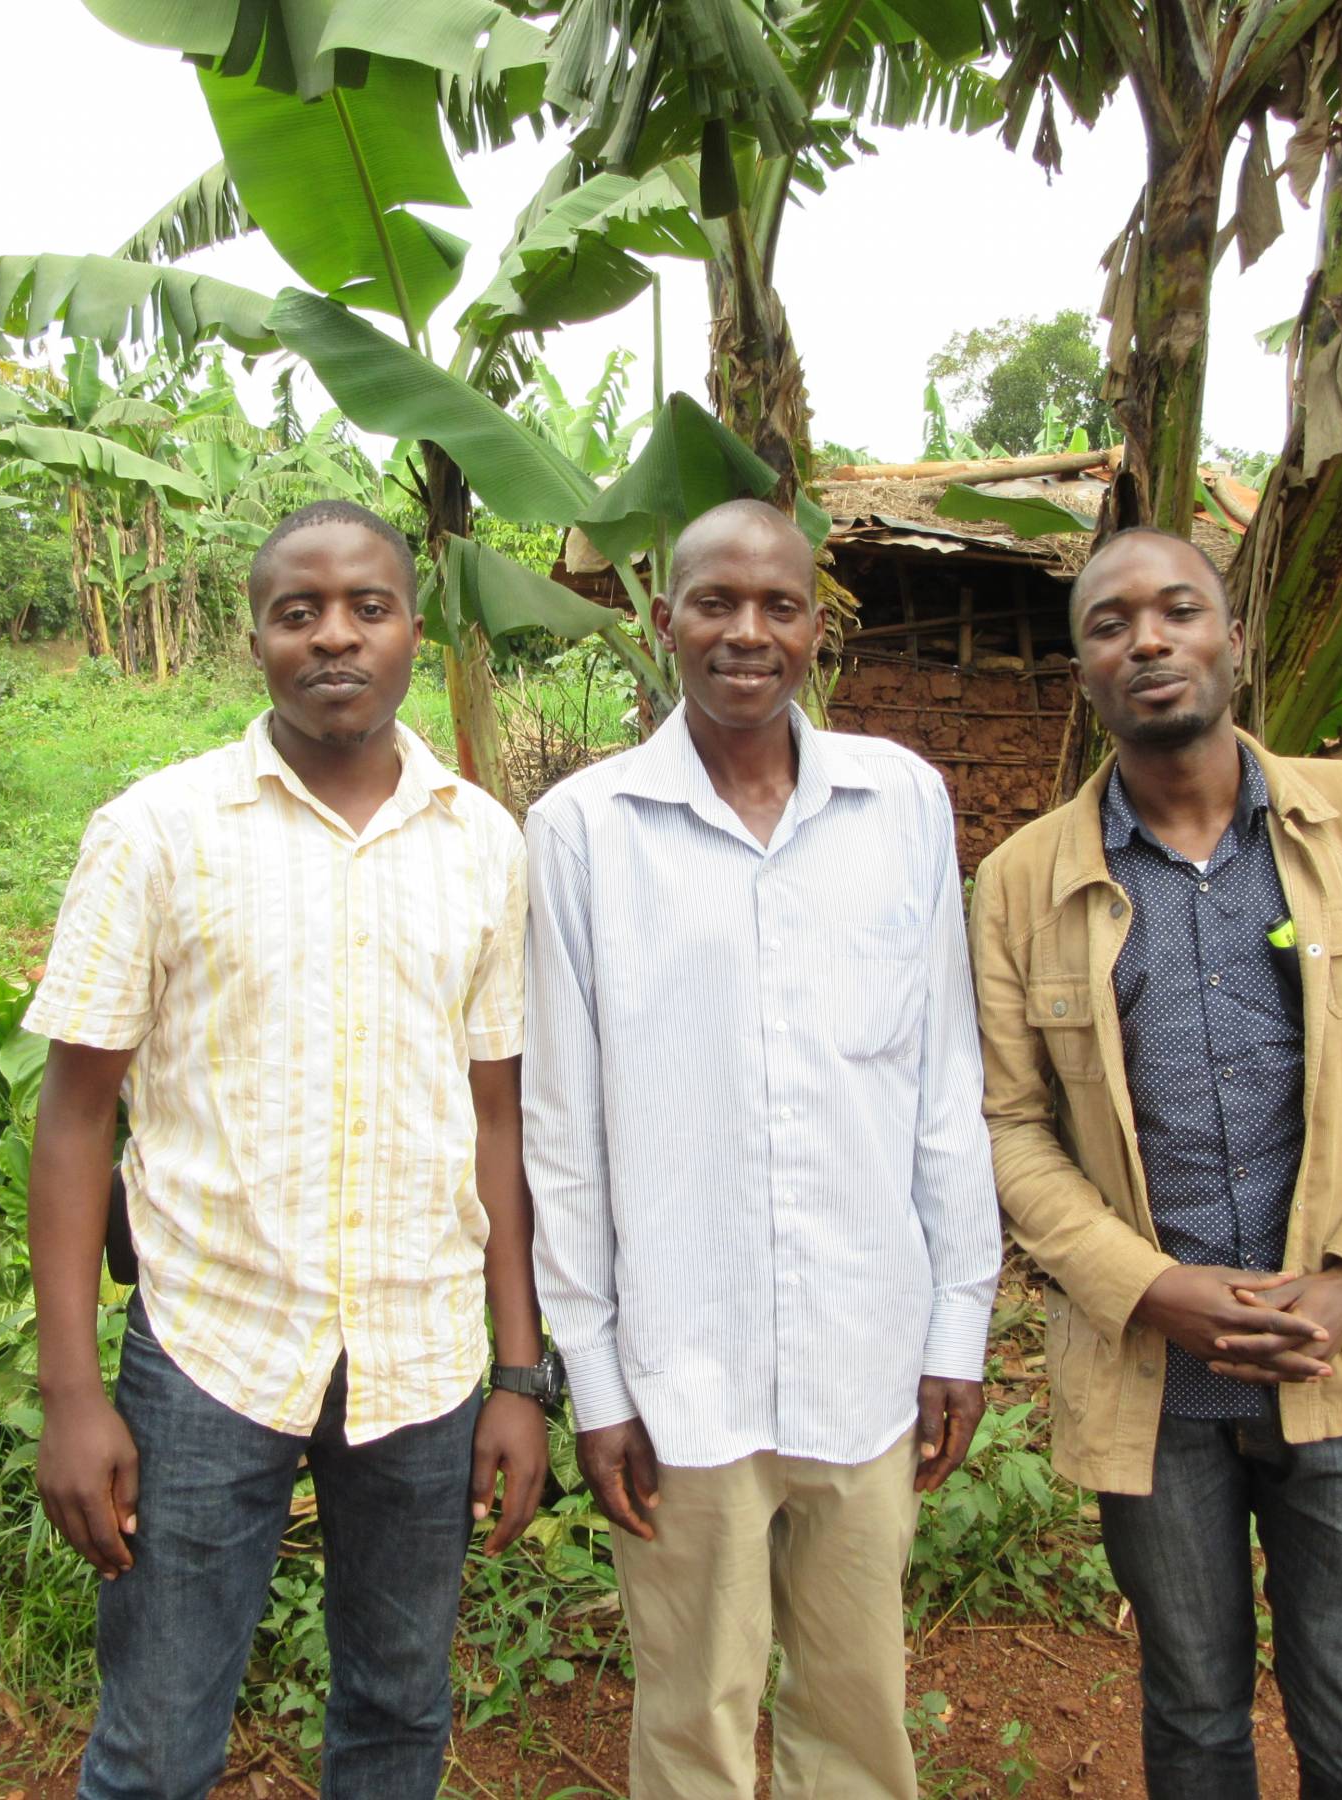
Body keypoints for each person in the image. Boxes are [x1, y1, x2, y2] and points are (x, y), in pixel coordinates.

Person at [22, 499, 553, 1800]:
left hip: (421, 1367)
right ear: (253, 635)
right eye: (298, 610)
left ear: (412, 634)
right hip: (209, 1356)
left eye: (367, 607)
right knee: (154, 1739)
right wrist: (74, 1394)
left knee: (395, 1709)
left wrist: (520, 1373)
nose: (334, 636)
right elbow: (77, 1112)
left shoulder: (483, 844)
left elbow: (495, 1116)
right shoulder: (156, 832)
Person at [971, 527, 1342, 1799]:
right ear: (1081, 670)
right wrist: (1150, 1289)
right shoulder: (1021, 881)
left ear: (1230, 639)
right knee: (1194, 1718)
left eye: (1178, 610)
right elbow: (1007, 1126)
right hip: (1157, 1386)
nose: (1148, 639)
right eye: (1110, 623)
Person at [523, 498, 1001, 1799]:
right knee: (693, 1713)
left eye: (779, 605)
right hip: (687, 1367)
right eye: (715, 602)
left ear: (816, 629)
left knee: (857, 1708)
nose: (747, 631)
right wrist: (597, 1376)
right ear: (664, 618)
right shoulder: (583, 832)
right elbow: (562, 1130)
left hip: (867, 1347)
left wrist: (959, 1324)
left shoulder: (900, 803)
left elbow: (941, 1081)